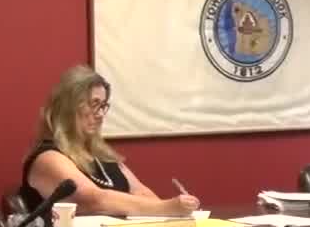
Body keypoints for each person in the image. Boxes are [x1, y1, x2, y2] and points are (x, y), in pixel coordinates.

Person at [22, 66, 199, 216]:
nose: (100, 114)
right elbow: (95, 200)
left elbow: (141, 191)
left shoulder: (102, 155)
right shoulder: (47, 158)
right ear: (68, 107)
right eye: (94, 104)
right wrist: (167, 208)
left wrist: (173, 213)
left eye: (103, 105)